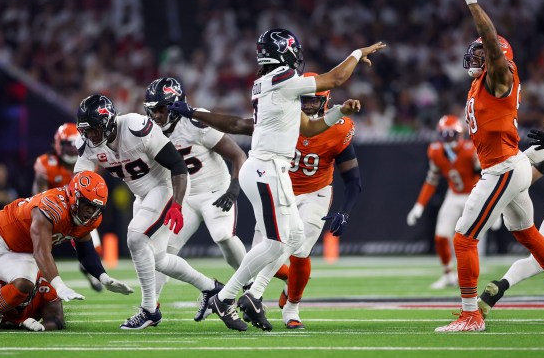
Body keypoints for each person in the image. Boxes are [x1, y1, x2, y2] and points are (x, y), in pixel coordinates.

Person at [170, 28, 385, 331]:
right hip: (267, 167)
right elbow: (336, 79)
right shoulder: (281, 78)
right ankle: (228, 297)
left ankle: (252, 296)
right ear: (286, 52)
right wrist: (357, 53)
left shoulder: (268, 83)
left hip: (270, 168)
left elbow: (308, 129)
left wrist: (336, 111)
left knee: (294, 239)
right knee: (274, 244)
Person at [434, 0, 544, 333]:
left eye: (484, 50)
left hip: (501, 169)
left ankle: (471, 315)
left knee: (464, 237)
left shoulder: (501, 74)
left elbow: (492, 45)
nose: (477, 53)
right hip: (507, 165)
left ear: (496, 55)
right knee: (529, 233)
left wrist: (472, 2)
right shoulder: (483, 82)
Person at [74, 94, 223, 330]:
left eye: (94, 129)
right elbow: (78, 182)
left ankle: (149, 310)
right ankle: (211, 288)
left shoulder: (135, 127)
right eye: (86, 130)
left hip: (164, 186)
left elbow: (177, 164)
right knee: (157, 258)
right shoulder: (88, 145)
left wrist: (177, 202)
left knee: (135, 237)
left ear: (109, 121)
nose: (90, 135)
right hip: (142, 195)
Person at [478, 59, 544, 319]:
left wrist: (521, 161)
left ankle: (501, 285)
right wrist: (520, 160)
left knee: (539, 257)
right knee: (542, 256)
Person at [0, 171, 132, 331]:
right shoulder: (51, 207)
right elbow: (41, 252)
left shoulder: (90, 219)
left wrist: (103, 277)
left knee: (24, 284)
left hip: (21, 252)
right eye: (87, 203)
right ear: (74, 197)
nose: (90, 210)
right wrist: (59, 285)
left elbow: (85, 249)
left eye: (95, 206)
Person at [143, 77, 246, 319]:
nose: (156, 115)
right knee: (162, 252)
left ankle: (251, 288)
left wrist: (233, 189)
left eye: (161, 109)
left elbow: (238, 154)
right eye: (153, 110)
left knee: (222, 235)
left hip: (214, 191)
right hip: (185, 196)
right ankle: (151, 307)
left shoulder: (196, 123)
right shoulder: (150, 131)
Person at [406, 115, 480, 289]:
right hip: (453, 195)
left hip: (475, 195)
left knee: (470, 241)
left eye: (451, 134)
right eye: (444, 134)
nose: (448, 138)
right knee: (440, 236)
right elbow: (431, 180)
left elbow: (484, 175)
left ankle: (470, 280)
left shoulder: (471, 148)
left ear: (460, 134)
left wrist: (494, 208)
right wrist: (419, 205)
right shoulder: (436, 151)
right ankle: (448, 275)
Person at [33, 122, 104, 292]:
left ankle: (89, 269)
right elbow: (37, 198)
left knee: (96, 249)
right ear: (58, 144)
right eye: (67, 145)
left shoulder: (88, 161)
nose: (72, 150)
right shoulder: (46, 164)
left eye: (74, 145)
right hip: (54, 215)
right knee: (38, 250)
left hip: (79, 215)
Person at [0, 271, 64, 331]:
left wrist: (42, 327)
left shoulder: (46, 283)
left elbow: (57, 320)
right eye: (17, 288)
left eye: (26, 287)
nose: (21, 293)